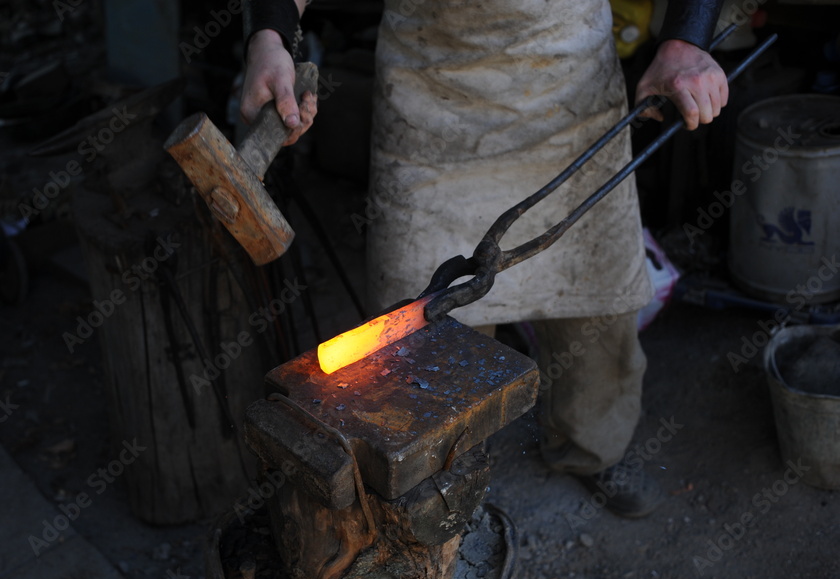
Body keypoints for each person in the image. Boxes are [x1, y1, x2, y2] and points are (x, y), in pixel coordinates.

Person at [239, 0, 728, 518]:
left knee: (596, 305)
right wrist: (269, 36)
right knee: (417, 332)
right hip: (430, 102)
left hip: (572, 86)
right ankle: (435, 489)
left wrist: (685, 39)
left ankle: (594, 448)